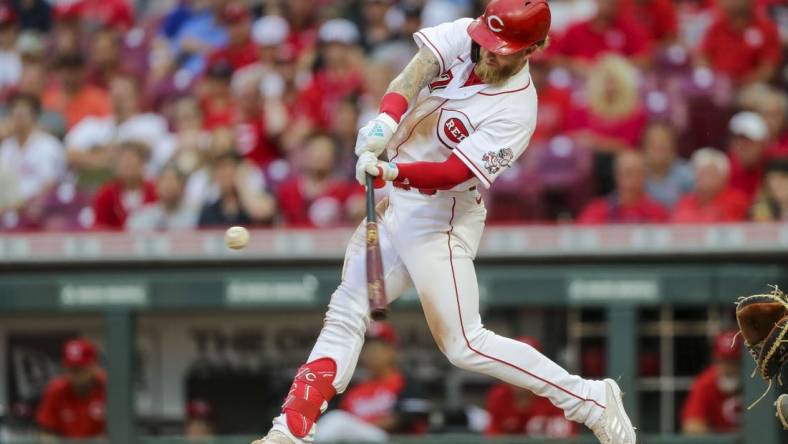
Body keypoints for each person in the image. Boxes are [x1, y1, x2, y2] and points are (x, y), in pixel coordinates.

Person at [254, 1, 636, 443]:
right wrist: (384, 120)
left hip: (442, 218)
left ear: (534, 48)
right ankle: (290, 430)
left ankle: (590, 399)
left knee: (464, 344)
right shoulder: (466, 35)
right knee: (347, 309)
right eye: (488, 42)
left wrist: (394, 171)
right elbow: (414, 73)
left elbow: (454, 173)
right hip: (395, 202)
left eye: (503, 49)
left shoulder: (517, 110)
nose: (490, 53)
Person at [315, 322, 429, 442]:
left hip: (390, 440)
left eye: (377, 347)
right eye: (366, 347)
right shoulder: (351, 389)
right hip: (355, 439)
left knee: (337, 421)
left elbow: (410, 418)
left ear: (392, 351)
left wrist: (360, 426)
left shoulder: (408, 384)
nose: (371, 352)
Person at [485, 337, 577, 437]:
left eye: (527, 365)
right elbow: (493, 437)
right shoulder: (500, 395)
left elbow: (568, 439)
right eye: (514, 364)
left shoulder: (556, 394)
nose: (520, 371)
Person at [0, 93, 65, 225]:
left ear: (34, 117)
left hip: (40, 213)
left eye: (22, 115)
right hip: (8, 212)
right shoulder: (6, 148)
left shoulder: (47, 146)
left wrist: (23, 204)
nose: (18, 120)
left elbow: (50, 186)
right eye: (15, 115)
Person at [275, 133, 364, 227]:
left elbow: (358, 206)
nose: (320, 156)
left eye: (325, 151)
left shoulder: (344, 190)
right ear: (304, 154)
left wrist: (357, 208)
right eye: (315, 150)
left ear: (334, 157)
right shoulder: (286, 190)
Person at [35, 338, 106, 438]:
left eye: (80, 369)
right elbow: (45, 431)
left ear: (94, 366)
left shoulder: (109, 388)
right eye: (71, 369)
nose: (75, 375)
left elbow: (124, 428)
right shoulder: (56, 390)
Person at [698, 0, 781, 84]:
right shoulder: (715, 28)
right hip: (719, 85)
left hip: (752, 86)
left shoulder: (767, 29)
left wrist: (742, 82)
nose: (732, 2)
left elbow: (768, 68)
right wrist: (708, 74)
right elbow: (702, 56)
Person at [578, 151, 670, 224]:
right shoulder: (596, 210)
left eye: (637, 172)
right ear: (616, 175)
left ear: (644, 176)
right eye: (627, 172)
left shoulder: (657, 212)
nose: (632, 178)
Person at [681, 331, 742, 434]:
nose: (728, 368)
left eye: (733, 361)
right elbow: (691, 427)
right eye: (722, 361)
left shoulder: (756, 382)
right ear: (714, 360)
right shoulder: (705, 384)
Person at [197, 151, 276, 227]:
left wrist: (242, 184)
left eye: (229, 171)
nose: (225, 177)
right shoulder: (209, 211)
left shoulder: (260, 197)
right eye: (221, 171)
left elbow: (262, 214)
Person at [92, 141, 158, 229]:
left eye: (132, 163)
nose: (128, 165)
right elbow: (100, 226)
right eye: (125, 164)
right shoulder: (106, 194)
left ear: (141, 165)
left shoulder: (155, 190)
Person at [672, 148, 749, 223]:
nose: (704, 178)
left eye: (710, 173)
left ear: (724, 177)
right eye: (701, 173)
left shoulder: (737, 201)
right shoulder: (685, 202)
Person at [127, 165, 198, 231]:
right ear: (156, 186)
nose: (169, 185)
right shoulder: (140, 217)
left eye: (174, 180)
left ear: (183, 187)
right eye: (164, 179)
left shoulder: (195, 217)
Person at [643, 123, 694, 209]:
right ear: (644, 148)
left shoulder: (687, 175)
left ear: (673, 148)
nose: (658, 148)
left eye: (663, 144)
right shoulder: (637, 173)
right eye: (653, 144)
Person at [727, 111, 769, 202]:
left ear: (763, 144)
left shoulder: (773, 169)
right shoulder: (725, 169)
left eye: (749, 143)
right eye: (739, 141)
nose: (743, 147)